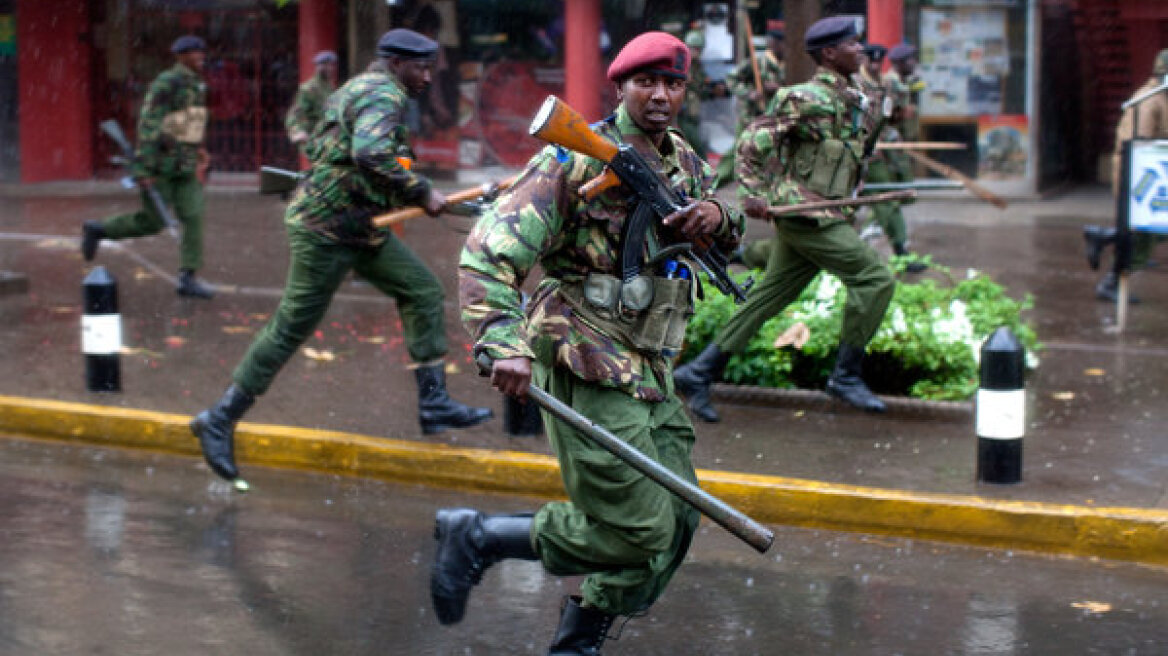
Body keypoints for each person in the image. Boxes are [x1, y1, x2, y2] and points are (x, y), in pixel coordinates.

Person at [431, 31, 743, 653]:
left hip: (651, 363)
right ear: (620, 87)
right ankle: (481, 536)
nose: (660, 96)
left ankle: (576, 644)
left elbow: (719, 233)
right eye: (646, 82)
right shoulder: (572, 159)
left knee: (677, 522)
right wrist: (503, 342)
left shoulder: (683, 159)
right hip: (587, 356)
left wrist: (717, 216)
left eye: (673, 84)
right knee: (637, 528)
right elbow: (488, 253)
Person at [190, 29, 493, 483]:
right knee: (291, 327)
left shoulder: (354, 88)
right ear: (395, 62)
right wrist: (422, 191)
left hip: (357, 226)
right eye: (422, 67)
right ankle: (219, 417)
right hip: (326, 228)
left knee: (422, 290)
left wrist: (413, 191)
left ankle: (433, 403)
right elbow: (369, 153)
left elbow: (338, 152)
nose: (429, 77)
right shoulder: (385, 94)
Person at [673, 16, 895, 422]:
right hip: (807, 214)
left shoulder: (862, 97)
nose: (861, 50)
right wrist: (753, 194)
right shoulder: (804, 98)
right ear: (829, 53)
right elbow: (752, 142)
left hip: (828, 210)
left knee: (768, 297)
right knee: (875, 279)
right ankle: (845, 376)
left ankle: (698, 371)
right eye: (853, 44)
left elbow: (861, 150)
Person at [82, 35, 215, 299]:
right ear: (180, 55)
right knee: (153, 222)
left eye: (202, 51)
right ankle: (100, 229)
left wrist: (198, 147)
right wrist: (142, 169)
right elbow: (149, 123)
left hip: (185, 165)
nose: (201, 55)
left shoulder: (197, 84)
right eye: (194, 52)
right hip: (161, 164)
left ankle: (188, 277)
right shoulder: (167, 82)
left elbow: (191, 121)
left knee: (194, 216)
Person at [1083, 48, 1168, 303]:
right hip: (1140, 178)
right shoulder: (1149, 101)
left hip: (1150, 178)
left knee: (1148, 232)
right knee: (1143, 232)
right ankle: (1111, 279)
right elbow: (1139, 146)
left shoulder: (1161, 98)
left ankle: (1104, 236)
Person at [858, 43, 926, 273]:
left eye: (879, 62)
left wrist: (898, 118)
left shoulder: (885, 84)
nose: (876, 66)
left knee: (888, 199)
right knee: (881, 200)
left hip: (885, 149)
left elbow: (890, 116)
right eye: (871, 62)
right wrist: (865, 143)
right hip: (863, 152)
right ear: (864, 61)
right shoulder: (856, 84)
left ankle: (901, 251)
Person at [715, 24, 785, 187]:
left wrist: (778, 88)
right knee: (739, 151)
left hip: (775, 116)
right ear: (774, 43)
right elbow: (732, 79)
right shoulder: (757, 61)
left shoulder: (789, 65)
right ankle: (714, 183)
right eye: (781, 42)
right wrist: (749, 93)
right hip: (752, 117)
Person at [285, 50, 338, 152]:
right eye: (326, 65)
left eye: (331, 65)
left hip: (329, 137)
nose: (330, 69)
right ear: (318, 67)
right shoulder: (308, 89)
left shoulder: (329, 87)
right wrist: (297, 132)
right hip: (315, 138)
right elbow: (295, 114)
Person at [678, 28, 710, 158]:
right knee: (696, 148)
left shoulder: (698, 67)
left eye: (698, 49)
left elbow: (701, 88)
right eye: (692, 48)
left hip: (693, 114)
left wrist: (712, 89)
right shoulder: (681, 66)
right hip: (682, 114)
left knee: (694, 147)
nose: (695, 52)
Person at [884, 43, 924, 143]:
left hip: (902, 137)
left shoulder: (904, 80)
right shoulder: (890, 82)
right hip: (891, 138)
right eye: (910, 59)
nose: (914, 62)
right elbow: (884, 114)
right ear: (899, 63)